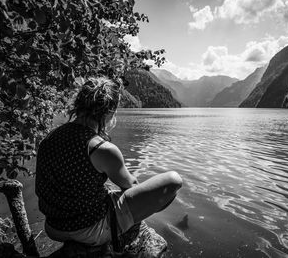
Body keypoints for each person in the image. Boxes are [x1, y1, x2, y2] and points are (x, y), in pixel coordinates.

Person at [35, 77, 183, 246]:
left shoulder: (50, 137)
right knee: (173, 181)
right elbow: (131, 187)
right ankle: (121, 233)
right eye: (115, 110)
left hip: (53, 227)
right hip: (88, 230)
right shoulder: (101, 148)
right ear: (108, 112)